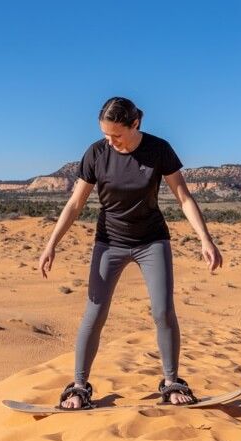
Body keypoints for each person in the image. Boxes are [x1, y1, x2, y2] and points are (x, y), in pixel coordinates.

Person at [38, 97, 223, 409]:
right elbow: (75, 203)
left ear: (135, 124)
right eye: (106, 135)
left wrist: (205, 238)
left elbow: (184, 197)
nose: (111, 141)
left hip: (152, 241)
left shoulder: (158, 149)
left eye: (117, 135)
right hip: (109, 242)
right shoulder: (96, 153)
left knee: (163, 311)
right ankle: (79, 386)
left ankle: (172, 381)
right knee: (94, 314)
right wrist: (51, 244)